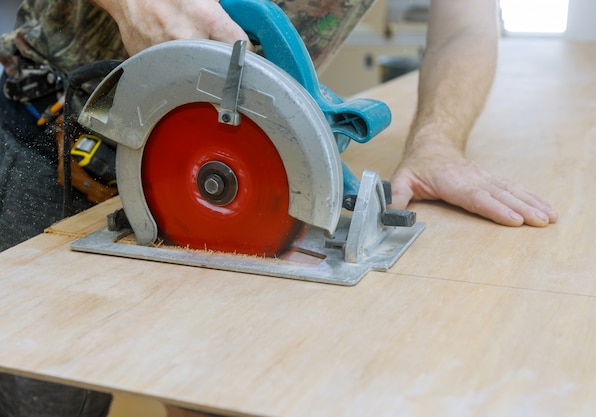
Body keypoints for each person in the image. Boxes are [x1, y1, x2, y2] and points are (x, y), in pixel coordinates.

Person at [0, 0, 558, 416]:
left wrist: (438, 141)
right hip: (54, 130)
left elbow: (466, 24)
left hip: (245, 169)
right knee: (39, 398)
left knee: (222, 392)